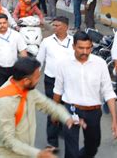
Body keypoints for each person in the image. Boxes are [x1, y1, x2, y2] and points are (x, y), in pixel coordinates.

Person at [0, 57, 73, 158]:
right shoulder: (4, 102)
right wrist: (38, 154)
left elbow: (47, 105)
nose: (38, 80)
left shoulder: (27, 90)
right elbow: (9, 141)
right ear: (26, 81)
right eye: (37, 77)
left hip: (26, 152)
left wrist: (67, 118)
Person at [54, 31, 117, 158]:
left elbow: (108, 92)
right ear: (73, 47)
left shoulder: (100, 64)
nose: (85, 51)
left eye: (88, 48)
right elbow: (58, 90)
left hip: (93, 112)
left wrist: (114, 121)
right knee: (71, 151)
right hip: (71, 111)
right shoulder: (63, 64)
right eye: (81, 48)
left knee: (93, 146)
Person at [36, 16, 74, 149]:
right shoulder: (47, 41)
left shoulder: (74, 42)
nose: (54, 28)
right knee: (53, 109)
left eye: (57, 25)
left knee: (67, 108)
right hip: (51, 80)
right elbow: (39, 60)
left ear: (66, 27)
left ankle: (63, 128)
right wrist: (34, 78)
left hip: (69, 81)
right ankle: (52, 142)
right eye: (54, 25)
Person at [0, 13, 28, 90]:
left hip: (13, 69)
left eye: (4, 23)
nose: (2, 25)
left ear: (8, 23)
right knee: (1, 91)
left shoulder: (16, 35)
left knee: (13, 91)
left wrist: (26, 68)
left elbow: (23, 52)